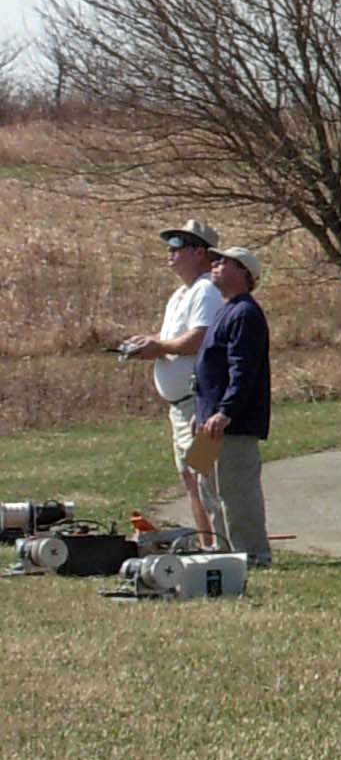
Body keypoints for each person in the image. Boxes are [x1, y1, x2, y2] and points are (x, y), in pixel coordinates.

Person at [123, 217, 223, 541]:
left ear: (199, 252)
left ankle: (221, 547)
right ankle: (206, 544)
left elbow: (199, 338)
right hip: (179, 407)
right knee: (190, 479)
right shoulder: (181, 294)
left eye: (177, 245)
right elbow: (173, 337)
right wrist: (148, 342)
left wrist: (160, 348)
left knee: (206, 478)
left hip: (198, 404)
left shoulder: (207, 289)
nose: (170, 251)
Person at [192, 242, 272, 566]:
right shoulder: (225, 309)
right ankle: (224, 551)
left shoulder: (246, 313)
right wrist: (202, 413)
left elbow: (243, 369)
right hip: (208, 419)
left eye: (223, 262)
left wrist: (226, 411)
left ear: (243, 272)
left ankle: (251, 554)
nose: (214, 265)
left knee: (237, 490)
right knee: (208, 487)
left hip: (232, 423)